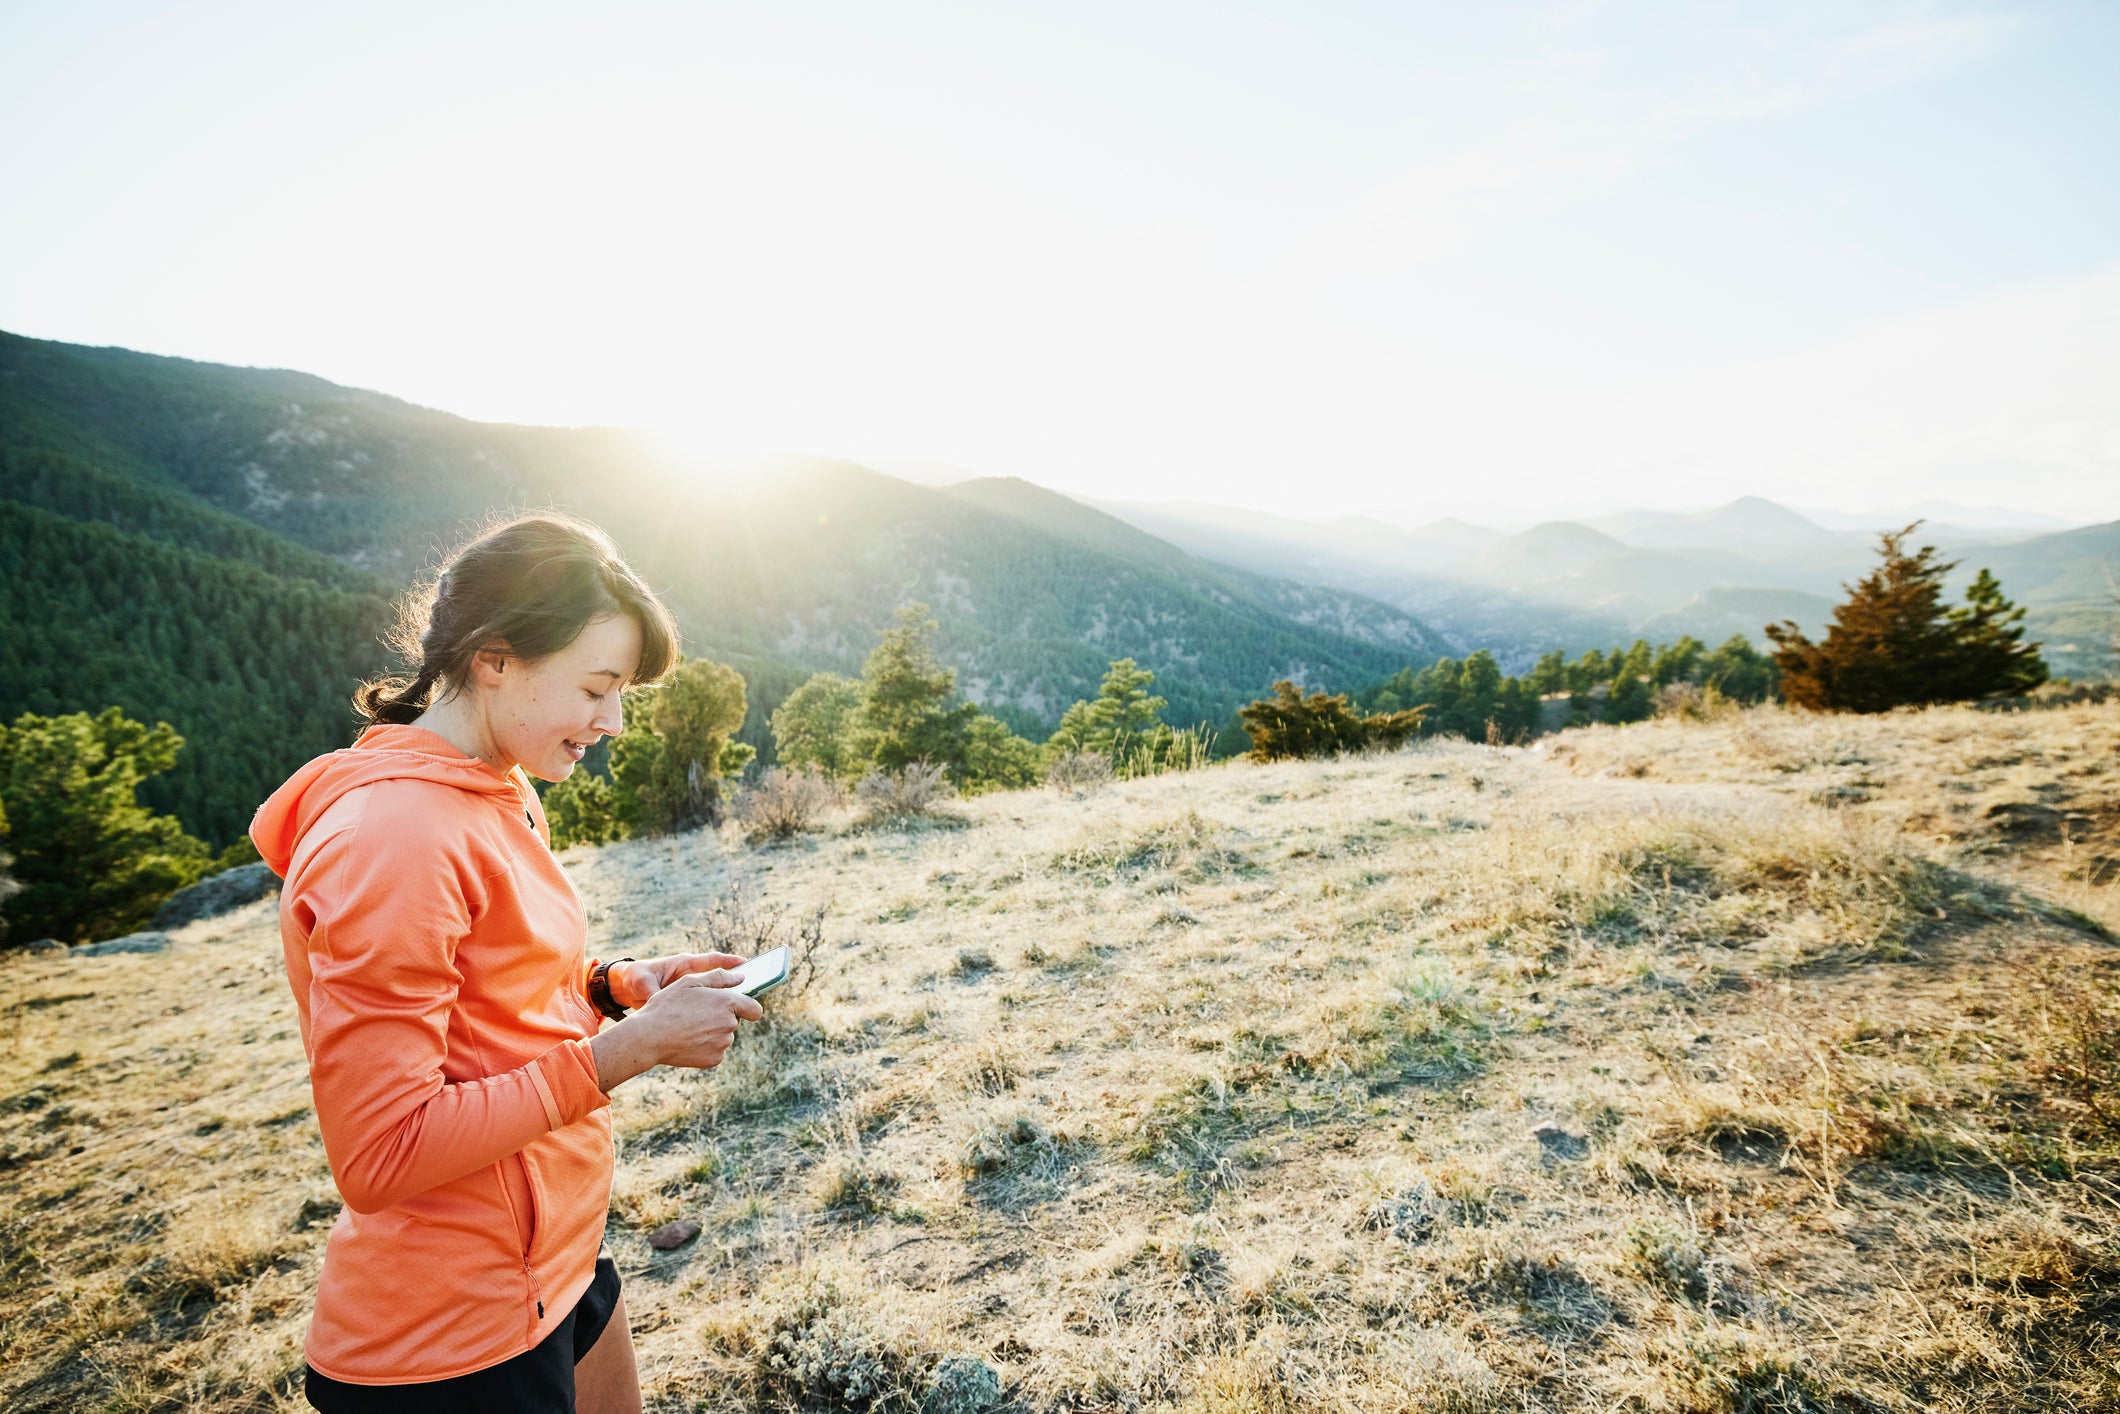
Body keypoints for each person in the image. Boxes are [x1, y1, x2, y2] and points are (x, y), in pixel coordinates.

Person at [252, 514, 764, 1413]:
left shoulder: (498, 780)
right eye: (597, 688)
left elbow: (492, 988)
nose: (611, 722)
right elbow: (379, 1152)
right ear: (494, 660)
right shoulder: (394, 839)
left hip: (554, 1255)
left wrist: (614, 987)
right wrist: (628, 1051)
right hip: (450, 1343)